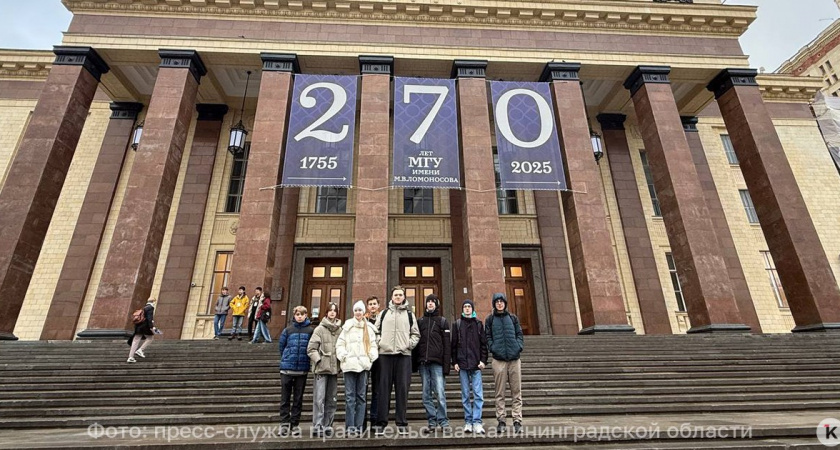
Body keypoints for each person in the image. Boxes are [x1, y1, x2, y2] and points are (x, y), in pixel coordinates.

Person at [373, 286, 420, 436]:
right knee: (383, 391)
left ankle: (401, 423)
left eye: (400, 295)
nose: (398, 297)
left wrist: (408, 345)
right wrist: (380, 342)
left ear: (404, 297)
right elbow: (375, 331)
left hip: (403, 356)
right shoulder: (383, 313)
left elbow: (416, 334)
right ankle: (381, 423)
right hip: (385, 356)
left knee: (402, 391)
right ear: (392, 297)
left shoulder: (410, 315)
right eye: (396, 295)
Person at [336, 300, 378, 437]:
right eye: (356, 310)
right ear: (353, 312)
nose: (358, 313)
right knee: (349, 397)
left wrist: (370, 358)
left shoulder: (369, 328)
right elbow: (340, 344)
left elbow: (373, 345)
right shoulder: (347, 326)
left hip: (363, 367)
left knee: (361, 397)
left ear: (363, 312)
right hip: (349, 367)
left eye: (360, 310)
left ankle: (359, 426)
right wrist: (344, 357)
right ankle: (350, 427)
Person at [485, 292, 524, 434]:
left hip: (514, 359)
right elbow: (487, 336)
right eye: (497, 302)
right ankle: (501, 420)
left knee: (516, 392)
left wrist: (518, 346)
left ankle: (517, 420)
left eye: (502, 301)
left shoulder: (512, 318)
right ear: (494, 304)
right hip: (498, 360)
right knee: (499, 393)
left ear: (505, 303)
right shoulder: (490, 320)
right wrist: (492, 347)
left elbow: (519, 334)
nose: (499, 303)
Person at [414, 294, 451, 433]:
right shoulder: (420, 321)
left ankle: (443, 421)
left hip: (437, 363)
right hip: (423, 363)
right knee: (426, 394)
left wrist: (447, 365)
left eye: (433, 302)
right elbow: (416, 343)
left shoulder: (442, 321)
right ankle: (432, 421)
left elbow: (447, 345)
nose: (430, 304)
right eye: (428, 302)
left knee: (440, 393)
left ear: (436, 305)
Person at [451, 299, 488, 434]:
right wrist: (454, 362)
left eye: (469, 307)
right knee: (465, 395)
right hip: (462, 365)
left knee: (478, 395)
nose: (467, 309)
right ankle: (468, 421)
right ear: (462, 309)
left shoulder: (478, 324)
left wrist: (483, 360)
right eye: (465, 306)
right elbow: (453, 345)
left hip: (476, 365)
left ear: (472, 309)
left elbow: (484, 344)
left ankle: (477, 422)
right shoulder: (457, 324)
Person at [277, 306, 314, 436]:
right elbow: (281, 346)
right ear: (294, 315)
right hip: (287, 369)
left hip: (302, 370)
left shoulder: (310, 331)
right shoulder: (288, 330)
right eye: (297, 314)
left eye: (302, 314)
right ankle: (284, 424)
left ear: (306, 315)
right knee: (285, 398)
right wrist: (287, 358)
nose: (299, 316)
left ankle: (295, 424)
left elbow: (312, 347)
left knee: (298, 399)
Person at [307, 302, 342, 437]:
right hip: (321, 370)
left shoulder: (340, 330)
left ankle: (328, 425)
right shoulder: (319, 330)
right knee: (319, 399)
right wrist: (319, 360)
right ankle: (317, 425)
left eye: (334, 310)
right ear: (326, 312)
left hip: (333, 370)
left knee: (331, 399)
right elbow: (311, 349)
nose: (332, 312)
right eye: (330, 310)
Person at [364, 295, 380, 431]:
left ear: (378, 306)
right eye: (370, 304)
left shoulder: (383, 319)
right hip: (364, 359)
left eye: (375, 304)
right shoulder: (362, 320)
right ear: (367, 307)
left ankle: (374, 420)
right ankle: (362, 421)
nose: (373, 306)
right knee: (362, 391)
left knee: (377, 391)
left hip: (379, 360)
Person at [127, 297, 158, 363]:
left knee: (135, 340)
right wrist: (152, 327)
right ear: (154, 302)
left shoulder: (144, 308)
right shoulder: (150, 308)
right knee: (150, 338)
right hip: (145, 326)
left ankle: (130, 357)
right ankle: (140, 350)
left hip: (138, 326)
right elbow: (149, 319)